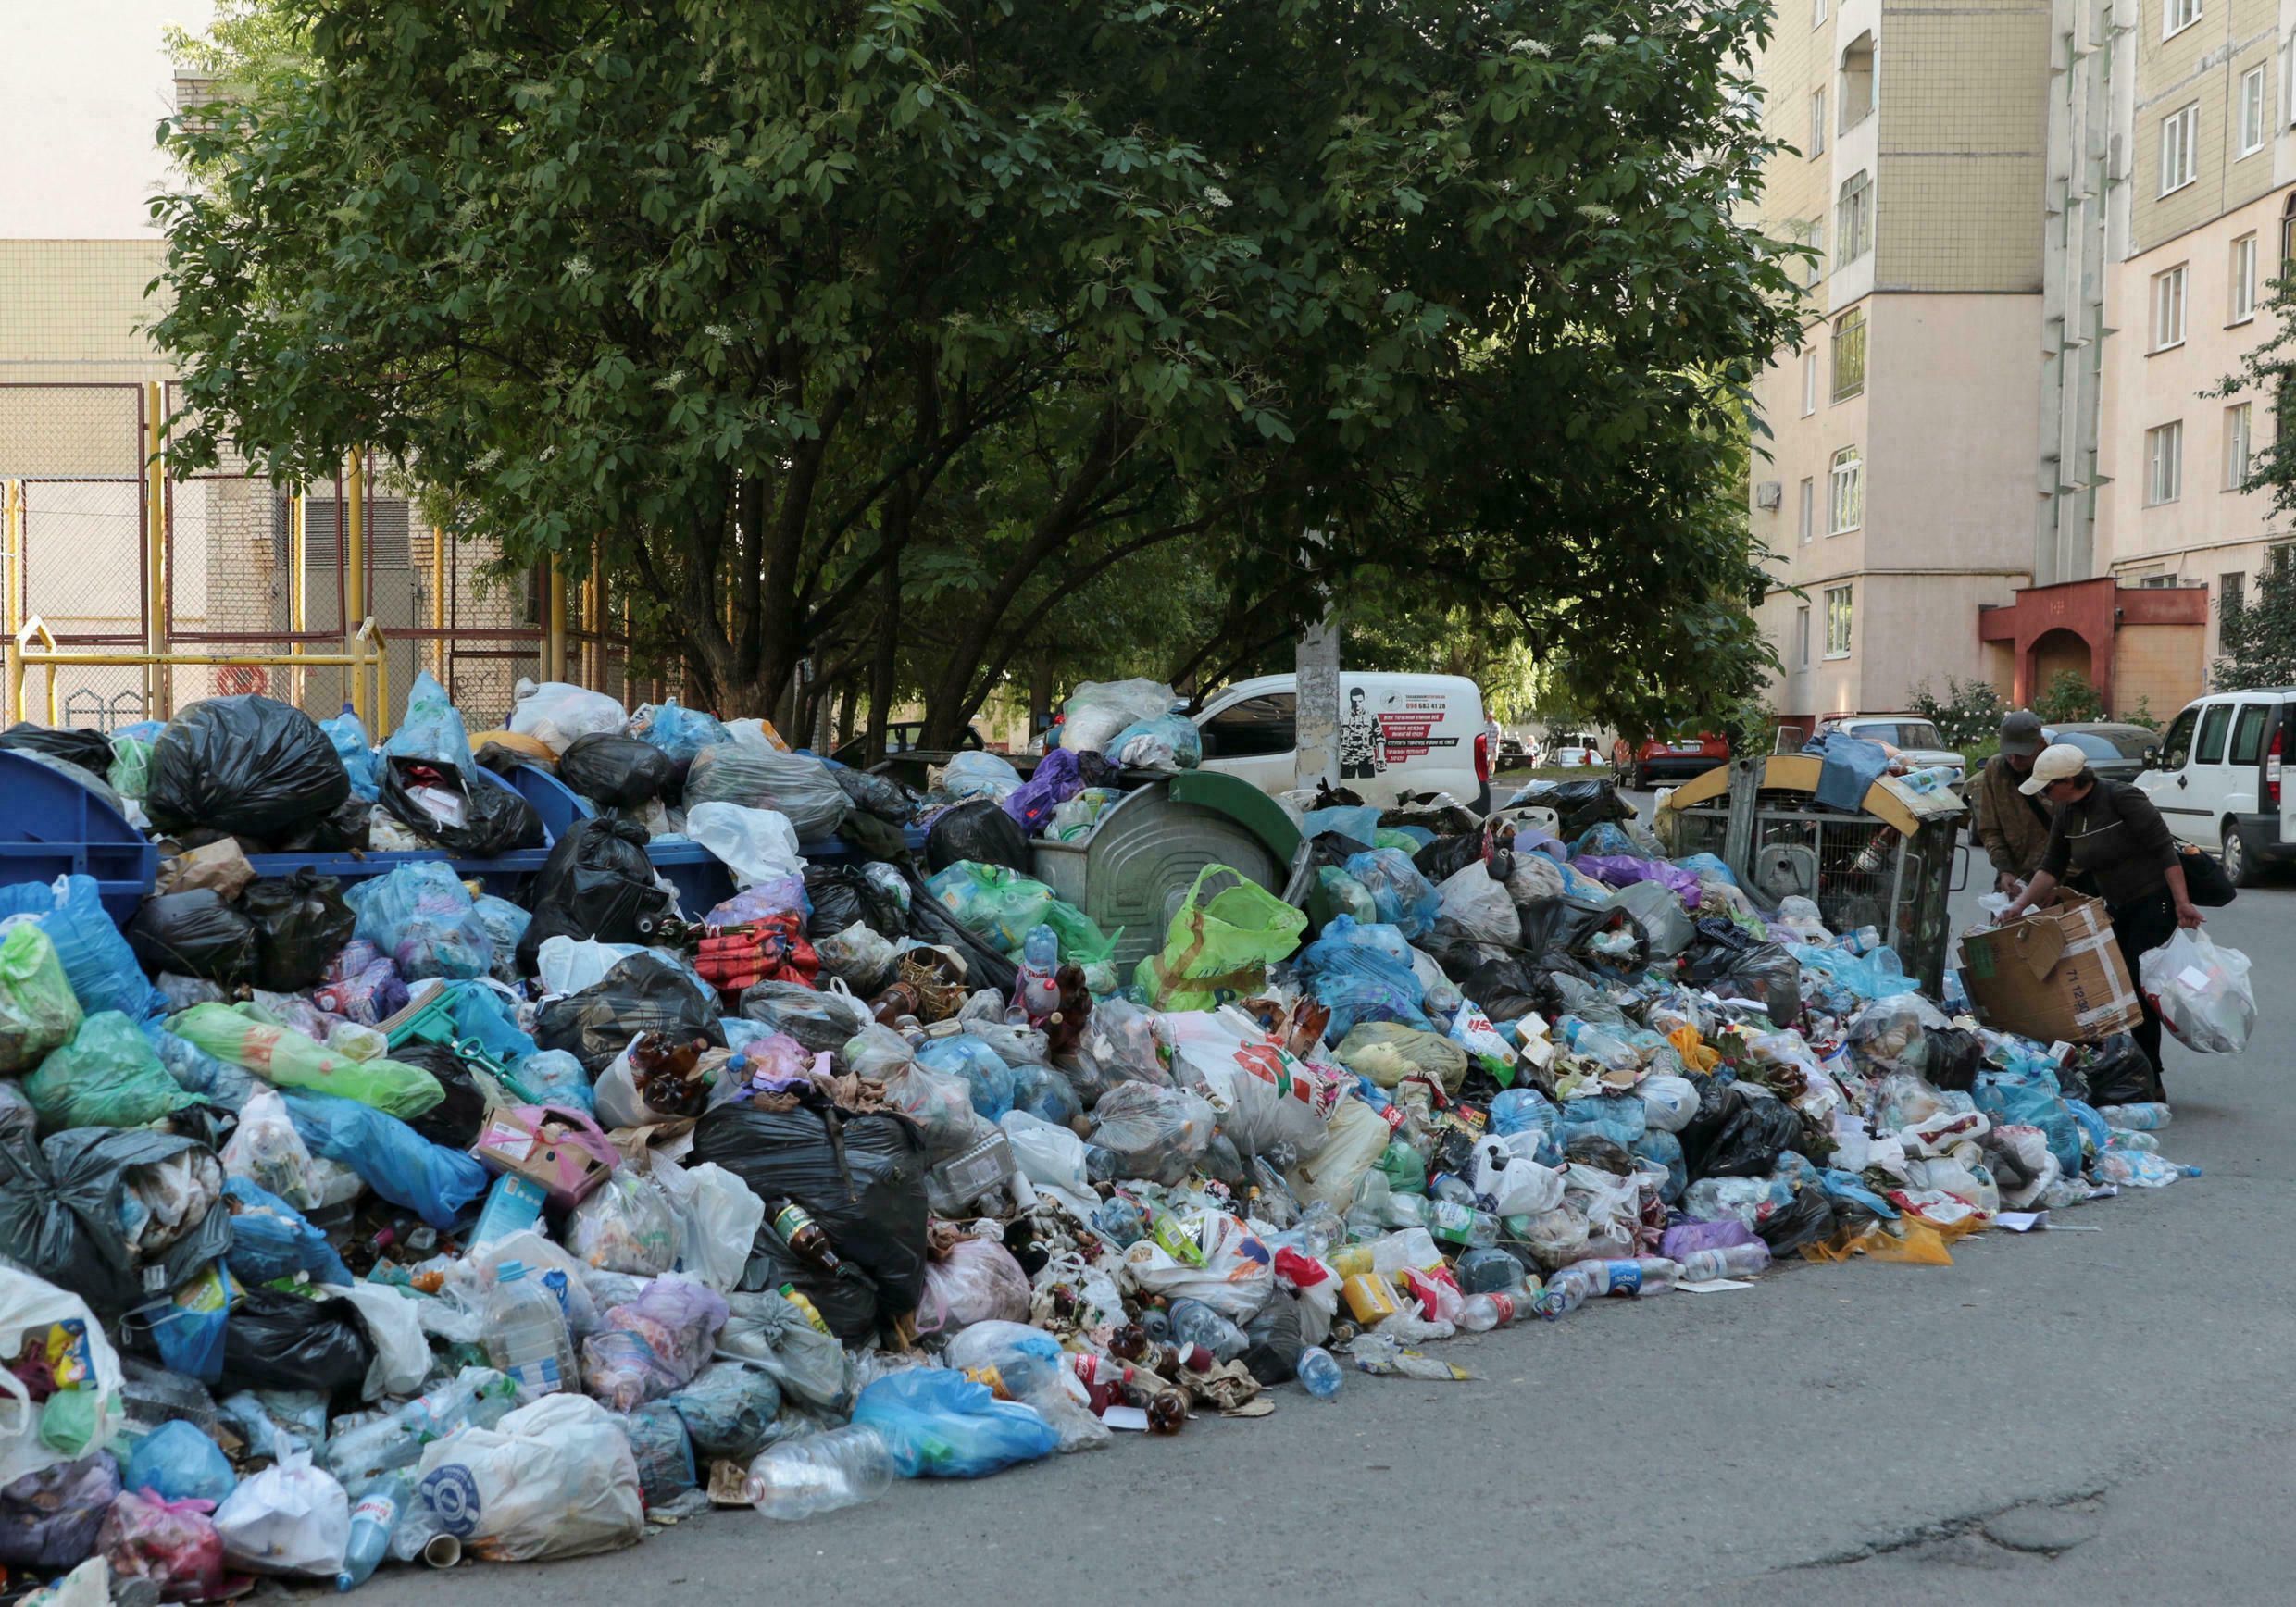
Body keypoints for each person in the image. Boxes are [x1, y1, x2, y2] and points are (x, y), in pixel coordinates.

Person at [1995, 741, 2201, 1099]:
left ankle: (2151, 1077)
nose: (2046, 795)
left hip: (2154, 904)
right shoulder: (2066, 813)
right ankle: (2128, 1070)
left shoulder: (2122, 799)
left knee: (2139, 990)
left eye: (2048, 788)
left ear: (2070, 781)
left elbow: (2164, 851)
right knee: (2116, 988)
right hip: (2116, 906)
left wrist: (2182, 903)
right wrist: (2020, 906)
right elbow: (2051, 867)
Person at [1971, 710, 2053, 896]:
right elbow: (1990, 828)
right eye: (2009, 753)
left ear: (2040, 744)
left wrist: (2055, 882)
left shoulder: (2059, 769)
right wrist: (2004, 869)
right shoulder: (1996, 768)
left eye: (2022, 754)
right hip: (2015, 877)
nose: (2014, 760)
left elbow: (2078, 837)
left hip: (2058, 880)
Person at [1338, 687, 1384, 780]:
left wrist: (1381, 758)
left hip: (1366, 757)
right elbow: (1335, 738)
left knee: (1370, 787)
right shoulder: (1342, 716)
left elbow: (1379, 737)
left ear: (1364, 699)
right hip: (1347, 758)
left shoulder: (1371, 715)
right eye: (1354, 701)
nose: (1357, 704)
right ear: (1350, 699)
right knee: (1344, 790)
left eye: (1359, 701)